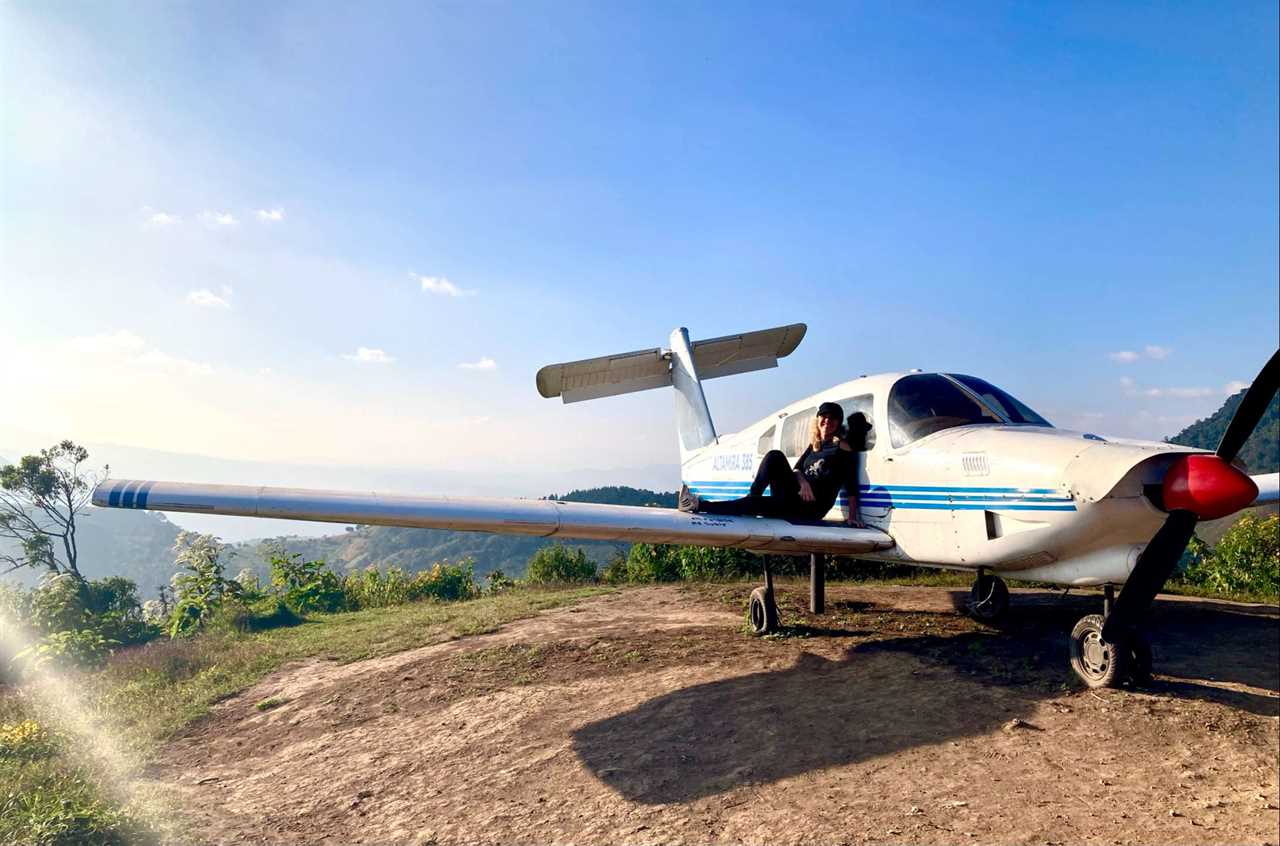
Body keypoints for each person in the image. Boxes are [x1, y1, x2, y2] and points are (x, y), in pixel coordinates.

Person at [679, 402, 866, 527]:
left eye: (833, 418)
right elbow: (797, 469)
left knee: (752, 504)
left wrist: (852, 517)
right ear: (817, 420)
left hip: (809, 508)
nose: (827, 421)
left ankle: (699, 505)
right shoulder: (815, 445)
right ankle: (753, 497)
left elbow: (851, 485)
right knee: (774, 456)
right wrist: (803, 482)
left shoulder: (843, 449)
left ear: (838, 422)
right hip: (794, 496)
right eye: (824, 417)